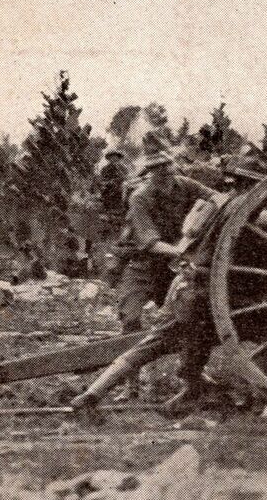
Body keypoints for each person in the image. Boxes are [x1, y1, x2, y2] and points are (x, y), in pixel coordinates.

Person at [77, 150, 221, 412]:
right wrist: (181, 251)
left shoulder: (184, 184)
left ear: (172, 166)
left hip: (174, 265)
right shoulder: (140, 197)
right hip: (143, 263)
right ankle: (130, 387)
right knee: (131, 319)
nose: (164, 173)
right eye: (157, 169)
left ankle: (193, 377)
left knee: (187, 316)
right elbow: (149, 241)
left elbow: (218, 199)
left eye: (167, 166)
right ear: (150, 173)